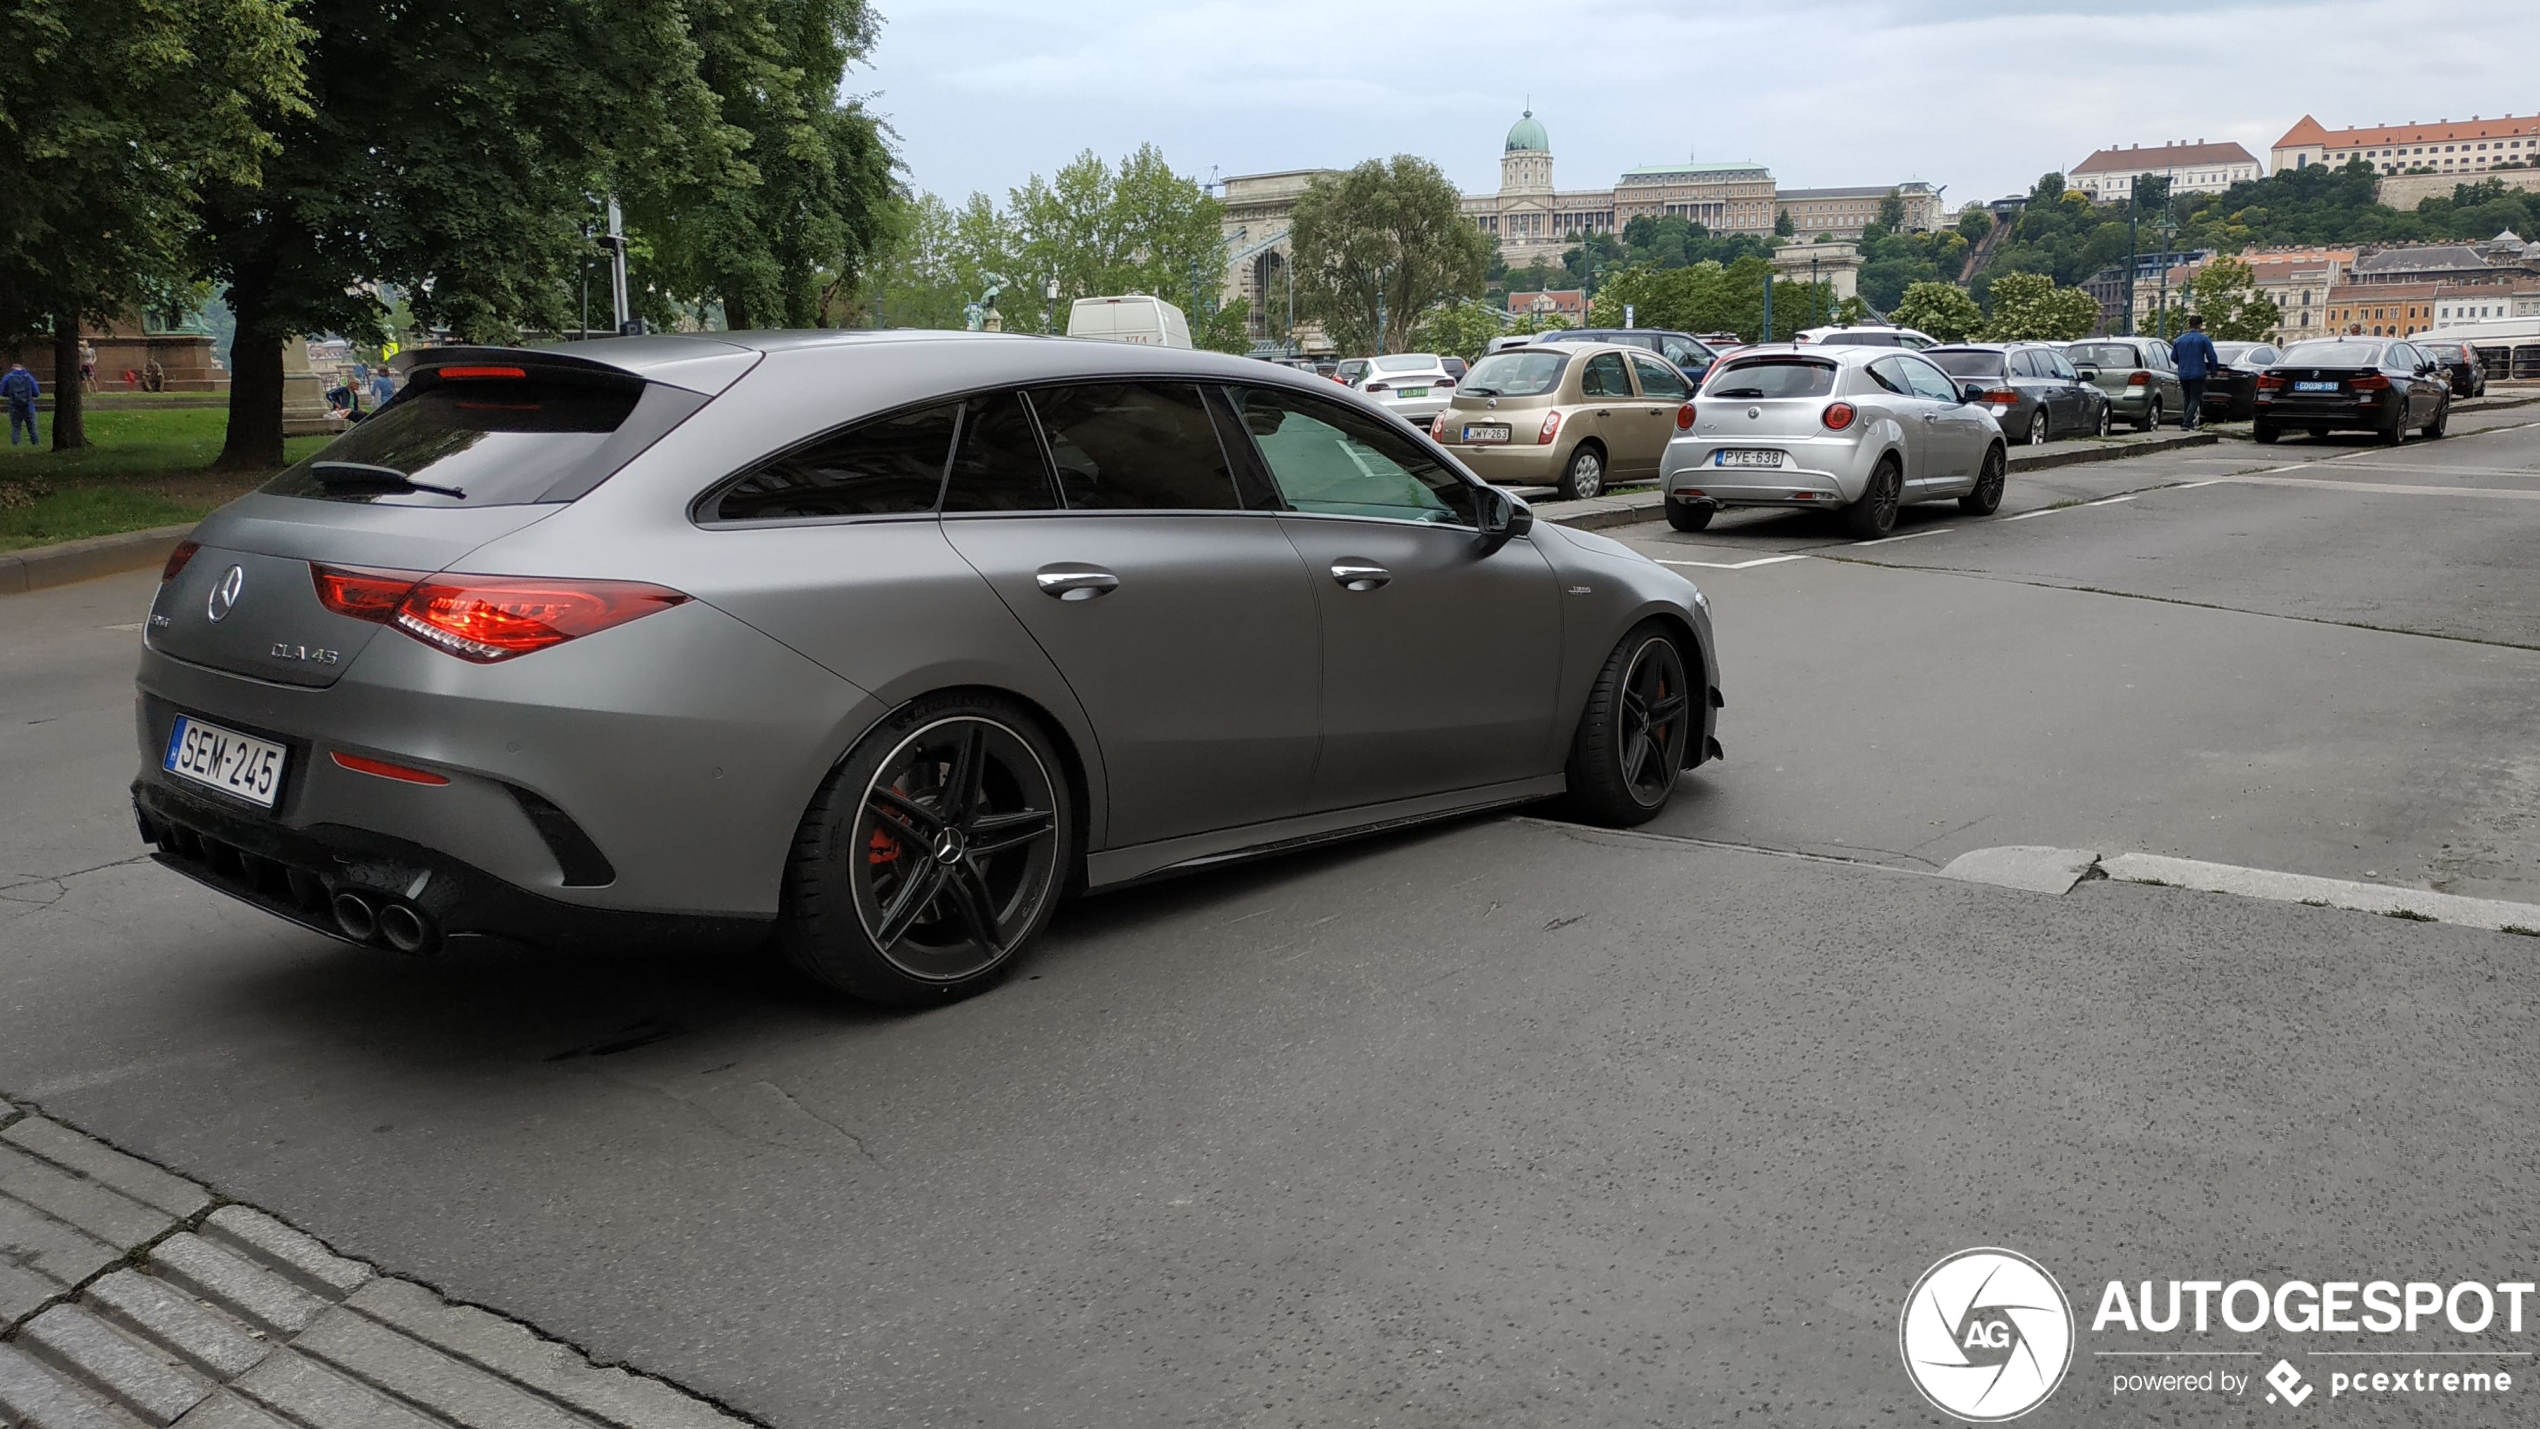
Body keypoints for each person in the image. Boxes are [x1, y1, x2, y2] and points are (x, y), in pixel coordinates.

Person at [2171, 313, 2218, 432]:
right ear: (2200, 325)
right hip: (2198, 373)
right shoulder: (2204, 339)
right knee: (2195, 398)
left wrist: (2182, 363)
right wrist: (2213, 371)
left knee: (2187, 397)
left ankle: (2188, 423)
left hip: (2183, 373)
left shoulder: (2179, 340)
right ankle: (2187, 422)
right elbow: (2211, 356)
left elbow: (2173, 357)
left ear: (2189, 325)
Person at [2, 360, 39, 446]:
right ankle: (36, 444)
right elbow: (36, 393)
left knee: (16, 427)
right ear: (22, 368)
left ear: (12, 369)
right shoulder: (29, 377)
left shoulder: (7, 377)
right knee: (32, 428)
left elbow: (2, 392)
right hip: (28, 406)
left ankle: (16, 444)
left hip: (14, 406)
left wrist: (11, 394)